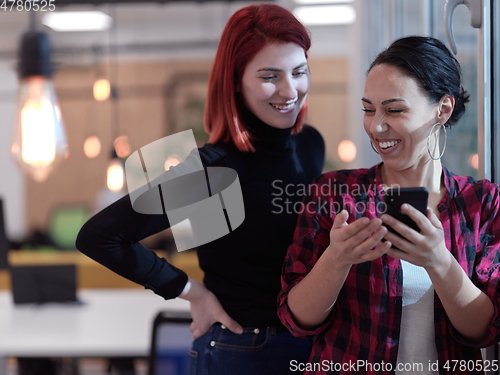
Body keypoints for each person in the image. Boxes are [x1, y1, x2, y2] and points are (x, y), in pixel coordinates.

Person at [76, 3, 325, 374]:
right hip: (245, 347)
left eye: (299, 71)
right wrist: (192, 292)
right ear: (236, 81)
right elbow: (100, 236)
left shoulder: (310, 145)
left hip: (313, 345)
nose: (290, 89)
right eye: (270, 75)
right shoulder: (215, 168)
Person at [278, 36, 500, 375]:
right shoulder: (336, 193)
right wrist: (336, 259)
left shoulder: (480, 204)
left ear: (443, 109)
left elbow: (485, 331)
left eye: (394, 110)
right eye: (368, 109)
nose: (376, 126)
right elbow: (297, 320)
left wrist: (439, 262)